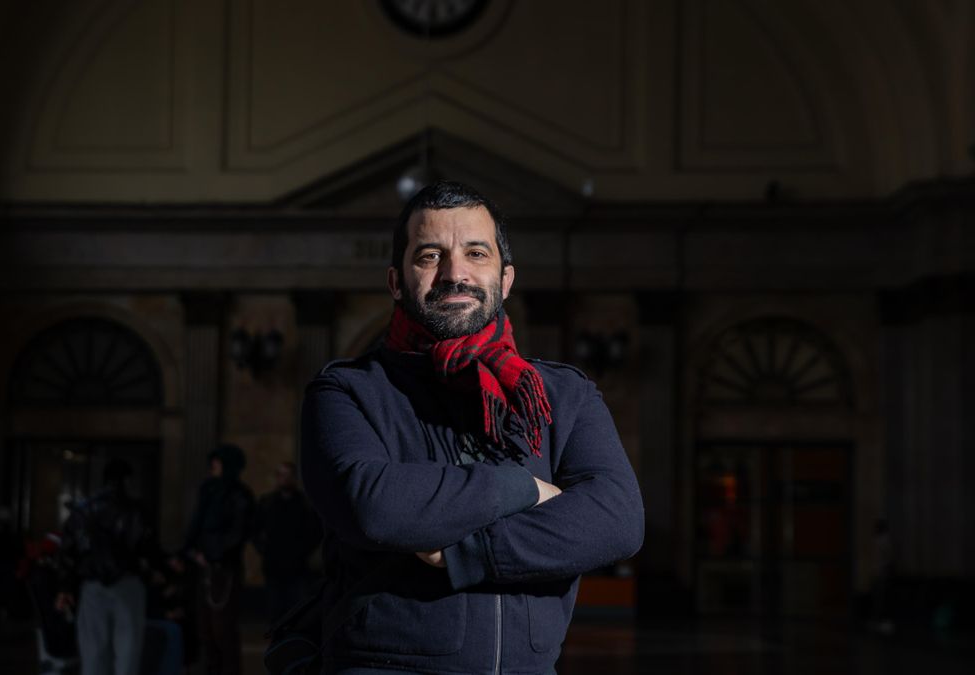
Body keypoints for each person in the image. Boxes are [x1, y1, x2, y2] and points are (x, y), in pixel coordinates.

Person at [300, 180, 644, 674]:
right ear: (396, 281)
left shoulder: (564, 395)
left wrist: (469, 552)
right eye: (430, 255)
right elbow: (373, 504)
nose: (455, 273)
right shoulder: (348, 392)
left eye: (476, 253)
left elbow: (617, 520)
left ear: (505, 280)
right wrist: (522, 487)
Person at [56, 459, 156, 675]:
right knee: (128, 651)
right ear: (128, 480)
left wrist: (65, 586)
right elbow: (148, 548)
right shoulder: (137, 511)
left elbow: (68, 550)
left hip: (93, 586)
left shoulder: (85, 510)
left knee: (93, 652)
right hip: (128, 584)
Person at [173, 443, 254, 675]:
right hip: (204, 568)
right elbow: (196, 524)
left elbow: (237, 533)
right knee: (205, 628)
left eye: (218, 463)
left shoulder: (240, 495)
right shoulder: (209, 490)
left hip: (224, 569)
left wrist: (212, 554)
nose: (213, 467)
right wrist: (187, 552)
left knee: (223, 630)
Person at [251, 461, 322, 623]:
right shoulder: (267, 502)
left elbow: (316, 532)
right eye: (281, 475)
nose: (284, 479)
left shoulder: (304, 504)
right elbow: (254, 530)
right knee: (275, 612)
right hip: (273, 566)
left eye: (288, 475)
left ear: (294, 478)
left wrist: (302, 552)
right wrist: (264, 549)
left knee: (297, 613)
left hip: (297, 568)